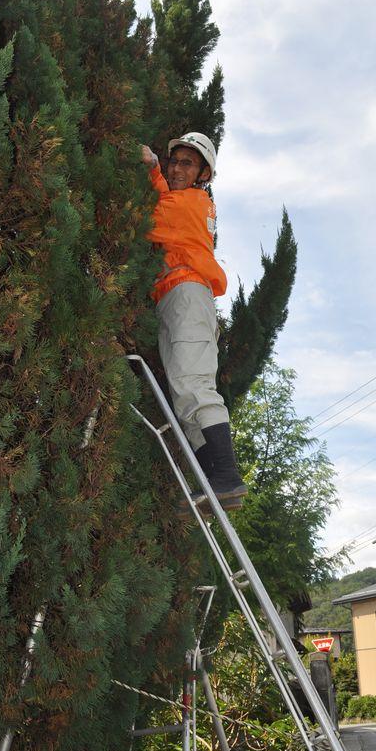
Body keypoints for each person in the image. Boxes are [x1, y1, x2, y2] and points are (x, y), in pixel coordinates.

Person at [141, 132, 247, 507]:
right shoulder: (185, 201)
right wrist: (155, 169)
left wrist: (142, 173)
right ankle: (214, 482)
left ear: (204, 174)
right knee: (184, 396)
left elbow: (146, 216)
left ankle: (227, 477)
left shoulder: (190, 204)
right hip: (176, 296)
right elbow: (164, 199)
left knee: (195, 387)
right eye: (174, 161)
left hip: (187, 294)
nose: (177, 168)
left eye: (187, 163)